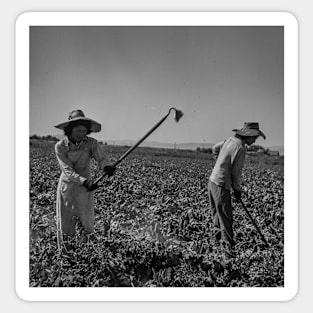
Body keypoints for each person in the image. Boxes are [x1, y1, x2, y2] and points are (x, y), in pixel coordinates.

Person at [54, 109, 116, 252]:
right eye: (78, 131)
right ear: (69, 130)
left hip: (85, 189)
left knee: (86, 221)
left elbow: (102, 158)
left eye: (83, 131)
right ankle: (66, 256)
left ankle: (86, 256)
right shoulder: (60, 146)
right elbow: (67, 170)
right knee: (66, 223)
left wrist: (107, 167)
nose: (81, 134)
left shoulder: (91, 143)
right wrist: (84, 181)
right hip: (67, 188)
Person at [208, 122, 266, 253]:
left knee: (217, 216)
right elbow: (236, 172)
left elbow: (214, 148)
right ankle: (229, 251)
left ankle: (216, 246)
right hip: (221, 184)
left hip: (212, 181)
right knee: (226, 218)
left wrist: (220, 163)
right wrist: (237, 190)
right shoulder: (240, 148)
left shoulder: (229, 140)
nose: (254, 140)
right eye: (254, 138)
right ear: (247, 136)